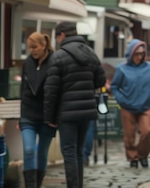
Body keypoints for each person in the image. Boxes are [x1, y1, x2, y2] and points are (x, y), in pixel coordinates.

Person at [44, 21, 106, 188]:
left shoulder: (58, 56)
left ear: (62, 35)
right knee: (78, 151)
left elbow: (51, 90)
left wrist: (49, 117)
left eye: (56, 36)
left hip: (67, 112)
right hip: (87, 111)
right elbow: (101, 80)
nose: (56, 40)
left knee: (69, 152)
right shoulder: (91, 53)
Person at [111, 39, 150, 168]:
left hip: (146, 105)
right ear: (131, 53)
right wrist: (122, 100)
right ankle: (133, 157)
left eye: (142, 53)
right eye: (137, 53)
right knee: (129, 135)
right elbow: (114, 86)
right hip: (128, 106)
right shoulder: (122, 68)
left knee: (147, 131)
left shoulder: (149, 67)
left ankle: (143, 155)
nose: (139, 56)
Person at [20, 32, 57, 188]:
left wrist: (55, 116)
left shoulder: (54, 62)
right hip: (28, 114)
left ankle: (38, 184)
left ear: (44, 46)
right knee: (29, 150)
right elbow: (22, 89)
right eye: (30, 48)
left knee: (42, 153)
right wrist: (20, 115)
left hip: (47, 115)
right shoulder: (27, 63)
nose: (32, 51)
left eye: (35, 47)